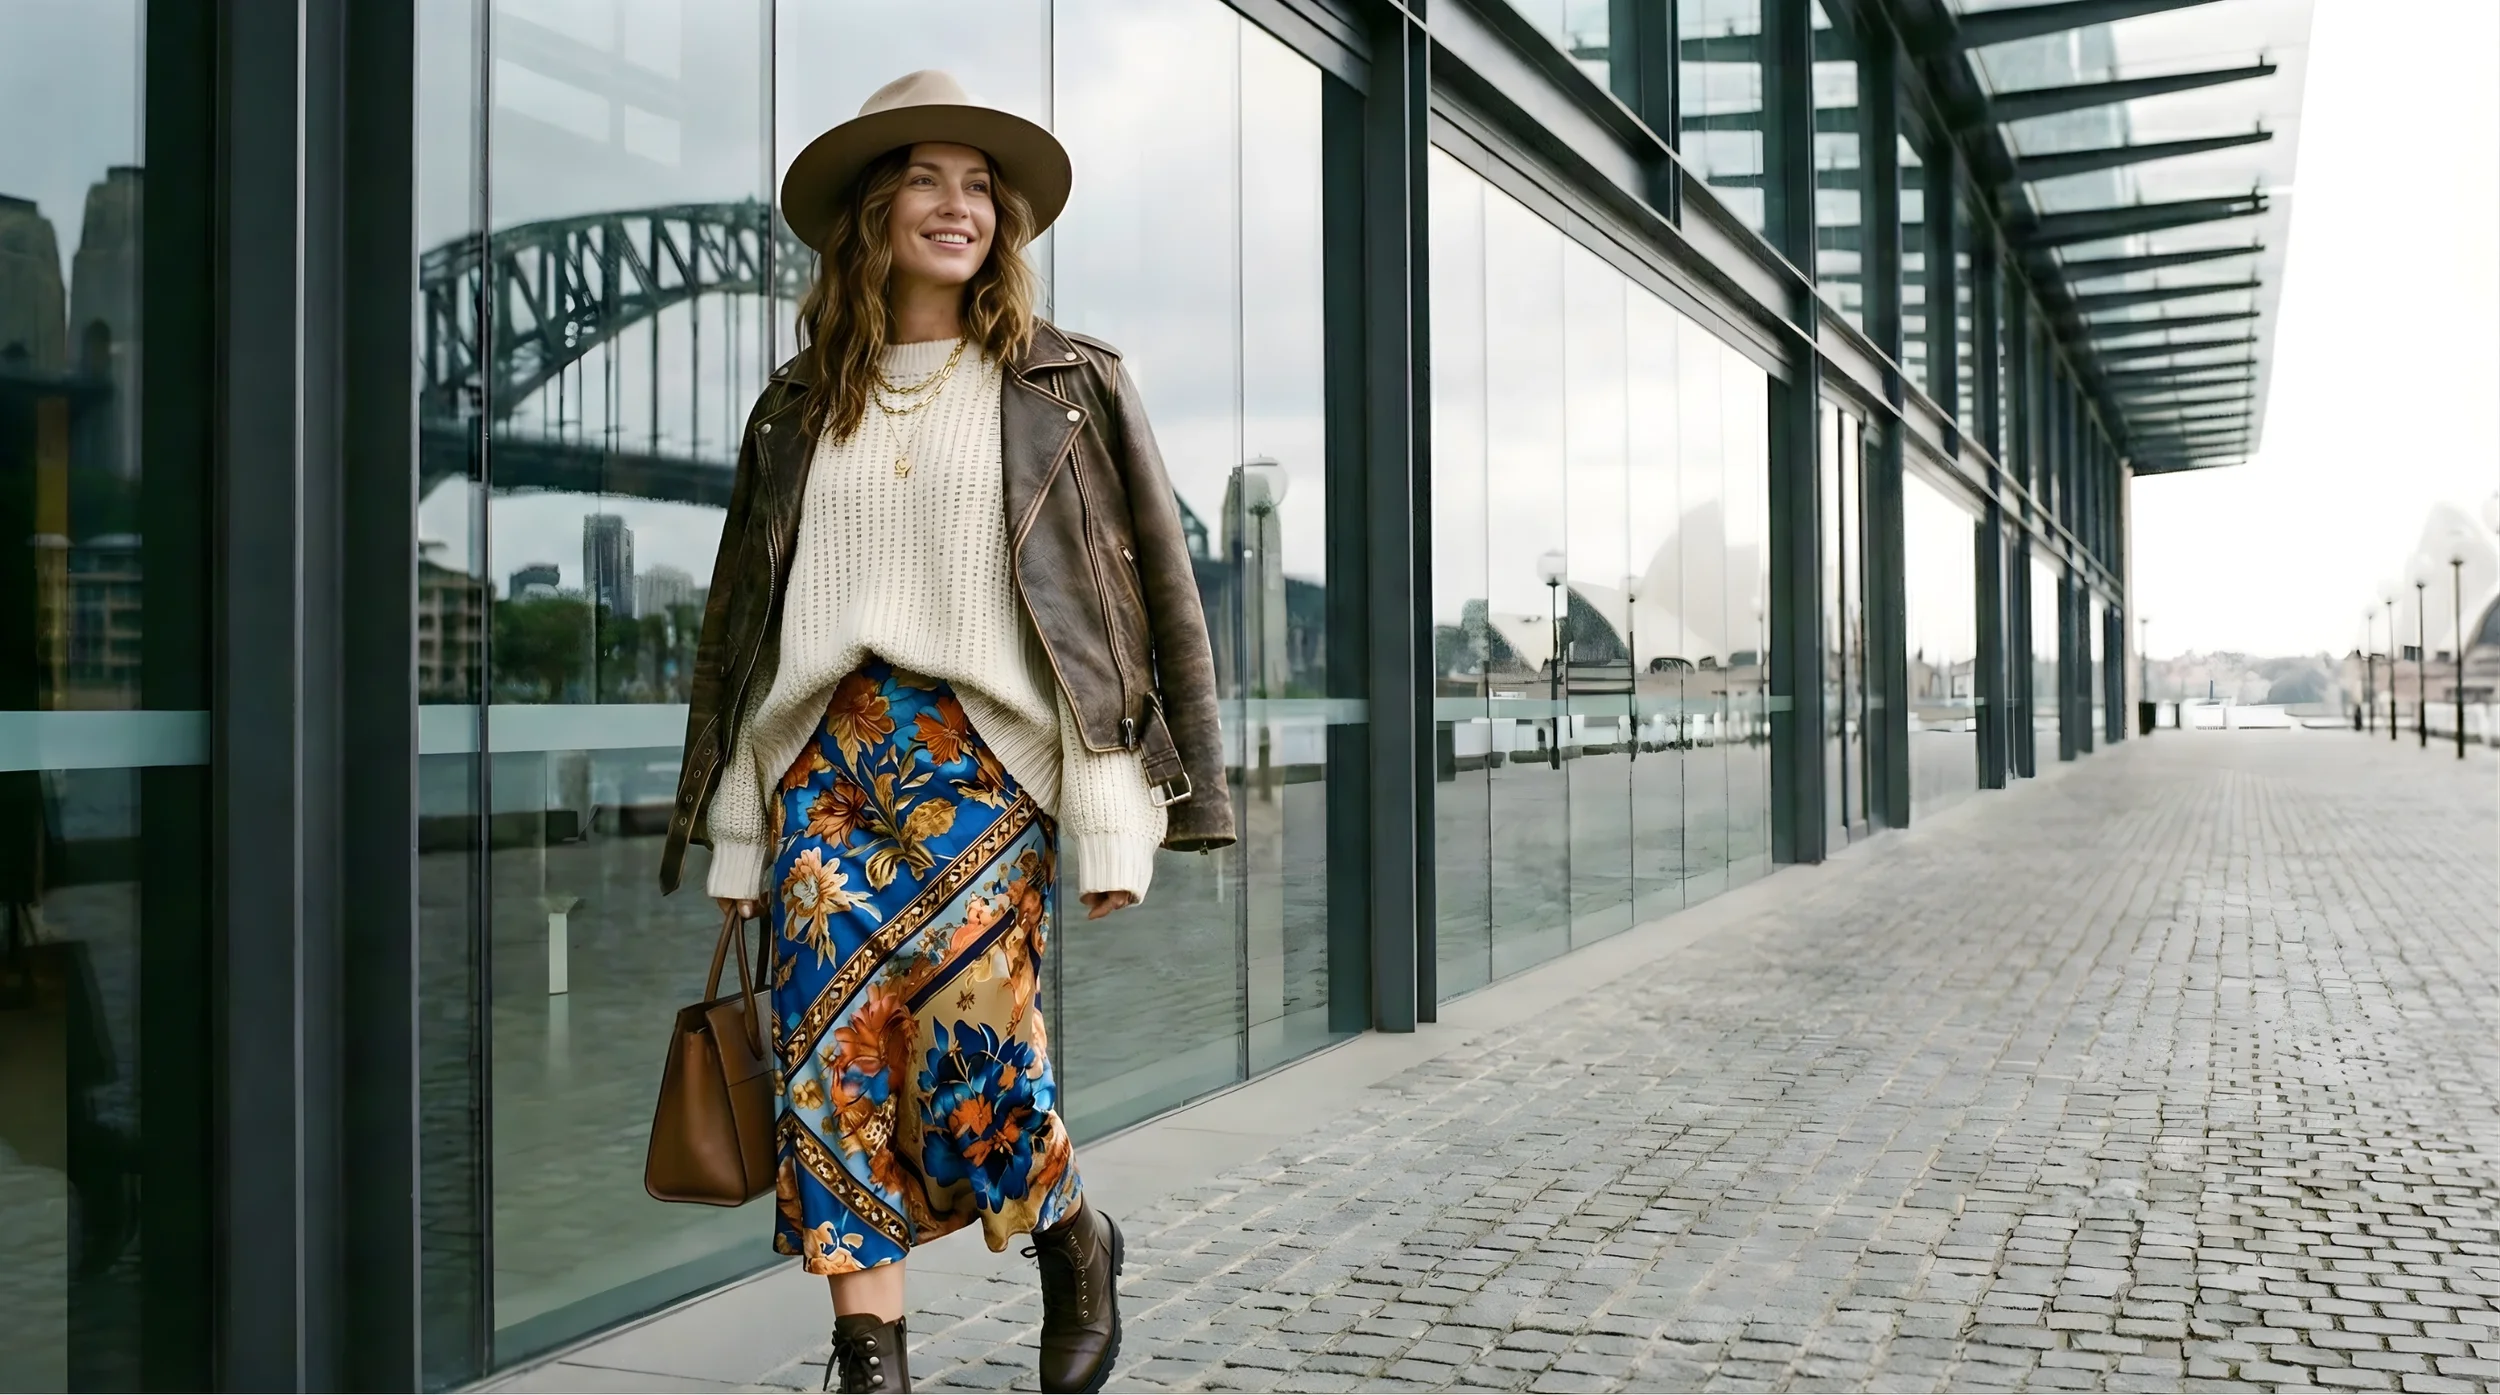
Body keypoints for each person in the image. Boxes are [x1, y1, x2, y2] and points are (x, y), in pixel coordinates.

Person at [656, 69, 1234, 1394]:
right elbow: (744, 636)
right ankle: (870, 1357)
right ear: (875, 210)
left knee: (980, 1059)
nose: (957, 205)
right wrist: (736, 827)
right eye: (926, 178)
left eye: (980, 186)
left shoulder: (1070, 385)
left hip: (986, 765)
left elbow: (1139, 606)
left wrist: (1119, 808)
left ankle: (1072, 1234)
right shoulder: (795, 408)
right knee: (830, 1068)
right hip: (823, 767)